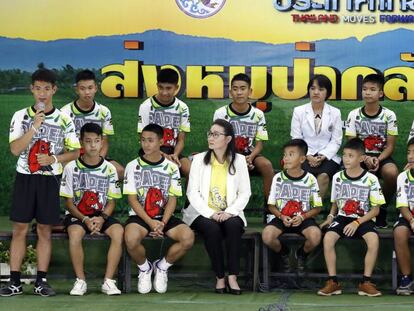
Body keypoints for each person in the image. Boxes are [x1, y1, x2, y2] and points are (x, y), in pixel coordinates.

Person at [1, 68, 80, 297]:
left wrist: (54, 158)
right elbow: (15, 149)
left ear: (54, 89)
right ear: (31, 89)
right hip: (25, 178)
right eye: (38, 88)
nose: (42, 93)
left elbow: (74, 152)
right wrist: (34, 126)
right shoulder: (20, 116)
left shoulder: (65, 119)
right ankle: (14, 281)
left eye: (47, 88)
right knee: (20, 229)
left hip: (49, 180)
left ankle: (41, 281)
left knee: (45, 229)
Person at [124, 123, 194, 294]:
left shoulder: (171, 167)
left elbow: (172, 198)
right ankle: (145, 268)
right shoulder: (132, 166)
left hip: (164, 216)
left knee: (188, 238)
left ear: (161, 141)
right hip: (141, 216)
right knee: (131, 239)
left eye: (151, 140)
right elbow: (132, 199)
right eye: (143, 140)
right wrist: (150, 222)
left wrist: (162, 222)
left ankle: (162, 267)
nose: (146, 144)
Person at [183, 119, 251, 295]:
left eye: (216, 134)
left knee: (234, 226)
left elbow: (245, 193)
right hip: (201, 212)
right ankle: (220, 276)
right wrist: (211, 213)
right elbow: (192, 193)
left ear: (228, 139)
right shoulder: (198, 160)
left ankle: (233, 276)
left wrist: (229, 213)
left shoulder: (240, 161)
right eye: (210, 133)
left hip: (230, 211)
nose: (211, 138)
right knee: (212, 230)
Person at [60, 123, 123, 296]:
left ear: (102, 142)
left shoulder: (110, 169)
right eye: (88, 141)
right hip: (78, 215)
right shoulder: (71, 168)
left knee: (118, 232)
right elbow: (69, 203)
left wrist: (102, 218)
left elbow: (111, 202)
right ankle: (81, 281)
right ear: (81, 142)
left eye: (96, 141)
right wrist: (85, 219)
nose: (93, 145)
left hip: (101, 214)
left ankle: (108, 281)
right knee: (75, 234)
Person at [318, 138, 385, 297]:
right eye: (345, 155)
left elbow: (375, 210)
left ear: (361, 158)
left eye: (351, 156)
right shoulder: (338, 177)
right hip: (342, 217)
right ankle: (333, 282)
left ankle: (365, 282)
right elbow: (335, 202)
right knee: (328, 238)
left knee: (373, 240)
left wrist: (357, 222)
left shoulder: (371, 179)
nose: (346, 159)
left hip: (363, 218)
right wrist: (330, 216)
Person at [345, 73, 398, 228]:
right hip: (359, 156)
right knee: (348, 173)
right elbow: (352, 143)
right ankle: (353, 212)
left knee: (392, 173)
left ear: (380, 93)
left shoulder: (389, 115)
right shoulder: (353, 114)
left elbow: (390, 146)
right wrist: (364, 158)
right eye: (365, 89)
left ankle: (381, 209)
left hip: (381, 156)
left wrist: (377, 160)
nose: (367, 92)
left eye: (372, 89)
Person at [262, 139, 322, 273]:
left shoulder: (311, 179)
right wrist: (281, 216)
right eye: (284, 155)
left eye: (291, 154)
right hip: (282, 217)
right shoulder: (278, 178)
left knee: (315, 236)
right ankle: (284, 253)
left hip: (303, 218)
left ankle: (301, 255)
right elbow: (271, 206)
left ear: (302, 159)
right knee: (267, 236)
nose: (286, 158)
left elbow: (317, 208)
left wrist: (303, 217)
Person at [213, 73, 273, 206]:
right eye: (235, 89)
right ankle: (223, 206)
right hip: (227, 153)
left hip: (250, 154)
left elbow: (259, 144)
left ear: (249, 91)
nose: (239, 92)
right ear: (230, 92)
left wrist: (250, 158)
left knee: (267, 165)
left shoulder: (258, 114)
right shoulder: (220, 113)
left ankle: (271, 210)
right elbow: (217, 143)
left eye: (242, 88)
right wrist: (236, 158)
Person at [61, 69, 124, 179]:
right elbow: (63, 145)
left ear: (96, 88)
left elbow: (104, 142)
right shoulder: (65, 112)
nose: (87, 92)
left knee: (120, 171)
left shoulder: (104, 111)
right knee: (71, 175)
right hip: (72, 156)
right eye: (82, 88)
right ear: (76, 90)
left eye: (90, 88)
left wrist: (97, 162)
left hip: (95, 154)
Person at [290, 75, 342, 198]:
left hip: (327, 157)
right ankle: (301, 212)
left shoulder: (335, 112)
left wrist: (322, 156)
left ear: (327, 92)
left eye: (321, 89)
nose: (316, 92)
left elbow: (336, 140)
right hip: (304, 155)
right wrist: (308, 156)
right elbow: (296, 138)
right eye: (313, 88)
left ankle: (312, 212)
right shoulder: (299, 111)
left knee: (323, 176)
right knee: (304, 177)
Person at [137, 68, 191, 177]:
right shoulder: (146, 106)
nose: (164, 92)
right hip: (150, 149)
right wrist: (162, 154)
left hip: (173, 151)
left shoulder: (183, 108)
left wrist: (175, 155)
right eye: (161, 87)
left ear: (176, 88)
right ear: (157, 85)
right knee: (166, 168)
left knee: (190, 170)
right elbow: (144, 138)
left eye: (168, 88)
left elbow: (181, 139)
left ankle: (190, 195)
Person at [393, 137, 414, 295]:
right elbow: (402, 205)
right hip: (408, 217)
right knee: (400, 232)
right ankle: (407, 278)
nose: (410, 156)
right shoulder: (403, 177)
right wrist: (412, 220)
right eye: (409, 152)